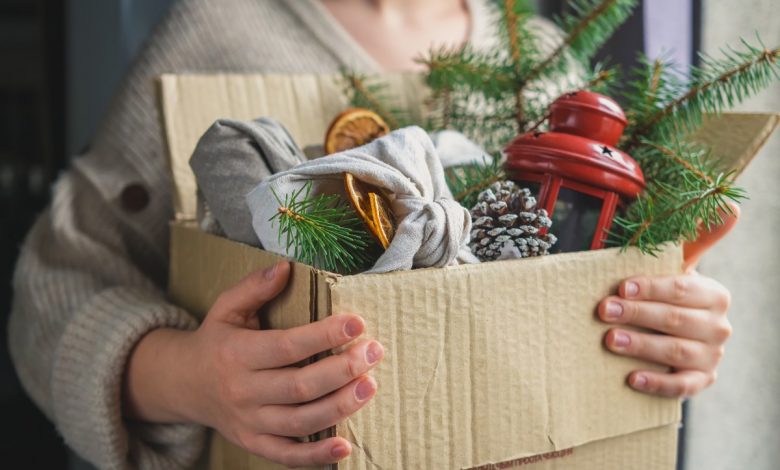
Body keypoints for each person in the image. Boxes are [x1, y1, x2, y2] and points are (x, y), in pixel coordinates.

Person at [8, 0, 734, 468]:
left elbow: (601, 276)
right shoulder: (221, 29)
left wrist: (666, 328)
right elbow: (53, 292)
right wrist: (192, 380)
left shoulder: (546, 60)